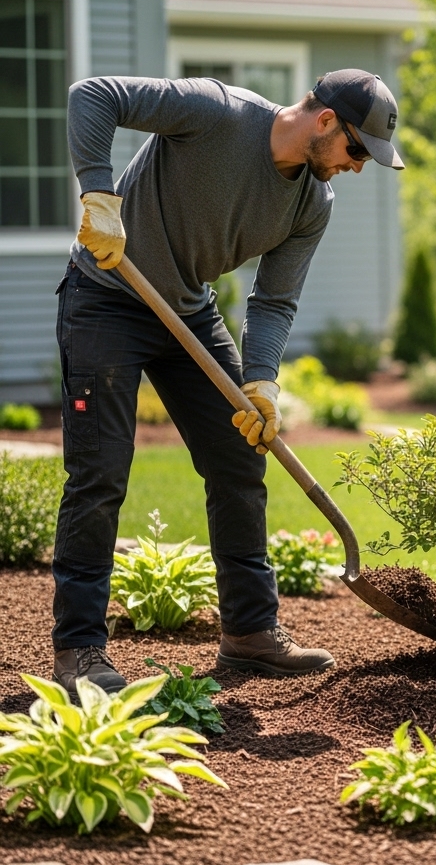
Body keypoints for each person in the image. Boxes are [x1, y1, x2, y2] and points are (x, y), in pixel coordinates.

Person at [52, 69, 404, 694]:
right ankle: (79, 649)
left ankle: (250, 633)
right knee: (100, 472)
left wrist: (262, 383)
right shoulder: (216, 111)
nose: (358, 167)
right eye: (357, 150)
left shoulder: (312, 203)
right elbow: (92, 95)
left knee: (241, 459)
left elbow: (273, 302)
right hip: (107, 296)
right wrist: (98, 196)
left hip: (186, 309)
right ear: (325, 121)